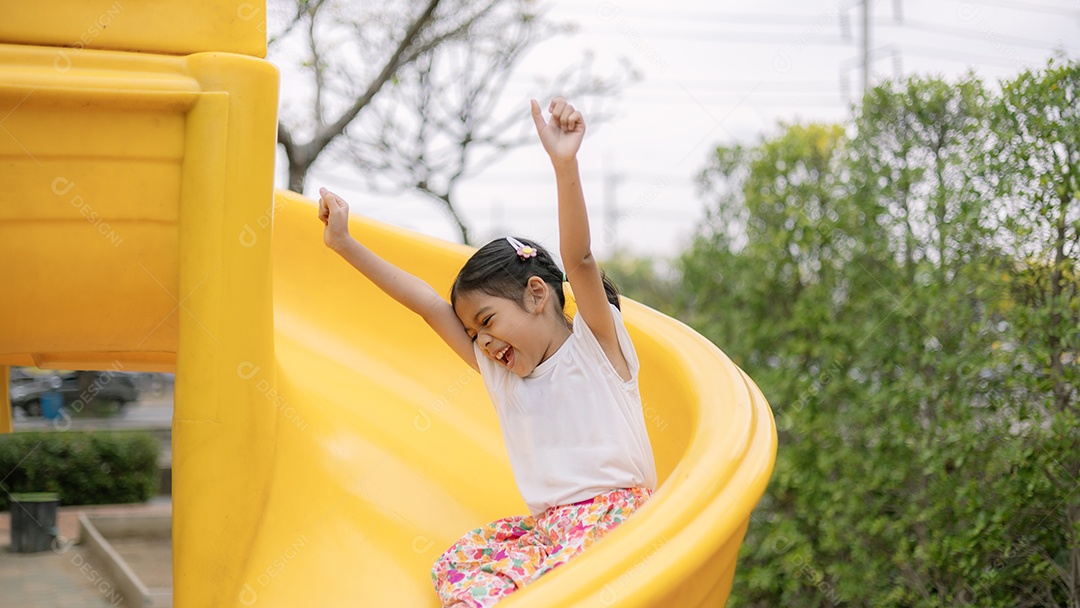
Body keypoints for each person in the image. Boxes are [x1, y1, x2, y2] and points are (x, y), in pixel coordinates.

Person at [317, 97, 657, 607]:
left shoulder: (597, 345)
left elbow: (579, 258)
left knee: (557, 586)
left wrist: (564, 163)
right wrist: (345, 244)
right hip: (550, 533)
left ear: (538, 295)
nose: (484, 342)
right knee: (461, 564)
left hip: (617, 523)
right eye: (474, 334)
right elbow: (429, 305)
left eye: (488, 321)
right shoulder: (505, 376)